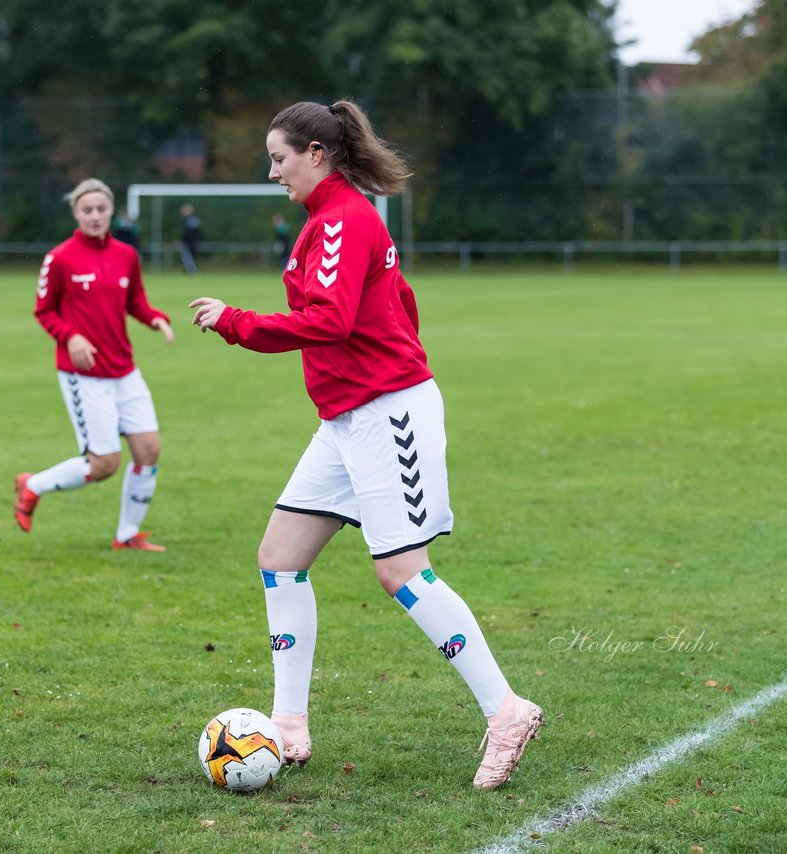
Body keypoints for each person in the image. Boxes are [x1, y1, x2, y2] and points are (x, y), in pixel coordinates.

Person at [189, 99, 543, 790]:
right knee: (280, 557)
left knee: (402, 571)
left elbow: (327, 319)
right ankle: (287, 724)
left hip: (387, 415)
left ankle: (507, 711)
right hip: (349, 418)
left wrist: (237, 321)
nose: (271, 173)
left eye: (279, 158)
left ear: (316, 154)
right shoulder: (330, 220)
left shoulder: (345, 220)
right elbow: (400, 302)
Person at [15, 178, 174, 551]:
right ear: (76, 213)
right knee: (104, 464)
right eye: (87, 210)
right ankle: (32, 485)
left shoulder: (126, 256)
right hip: (83, 376)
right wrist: (71, 337)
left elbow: (136, 301)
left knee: (149, 449)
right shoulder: (60, 258)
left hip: (124, 370)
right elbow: (44, 311)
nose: (95, 216)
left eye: (101, 209)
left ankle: (127, 535)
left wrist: (156, 319)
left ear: (111, 211)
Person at [179, 203, 202, 274]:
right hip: (192, 242)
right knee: (189, 257)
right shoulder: (193, 220)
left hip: (189, 243)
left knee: (188, 257)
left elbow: (187, 233)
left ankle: (192, 271)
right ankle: (190, 271)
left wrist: (182, 241)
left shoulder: (190, 220)